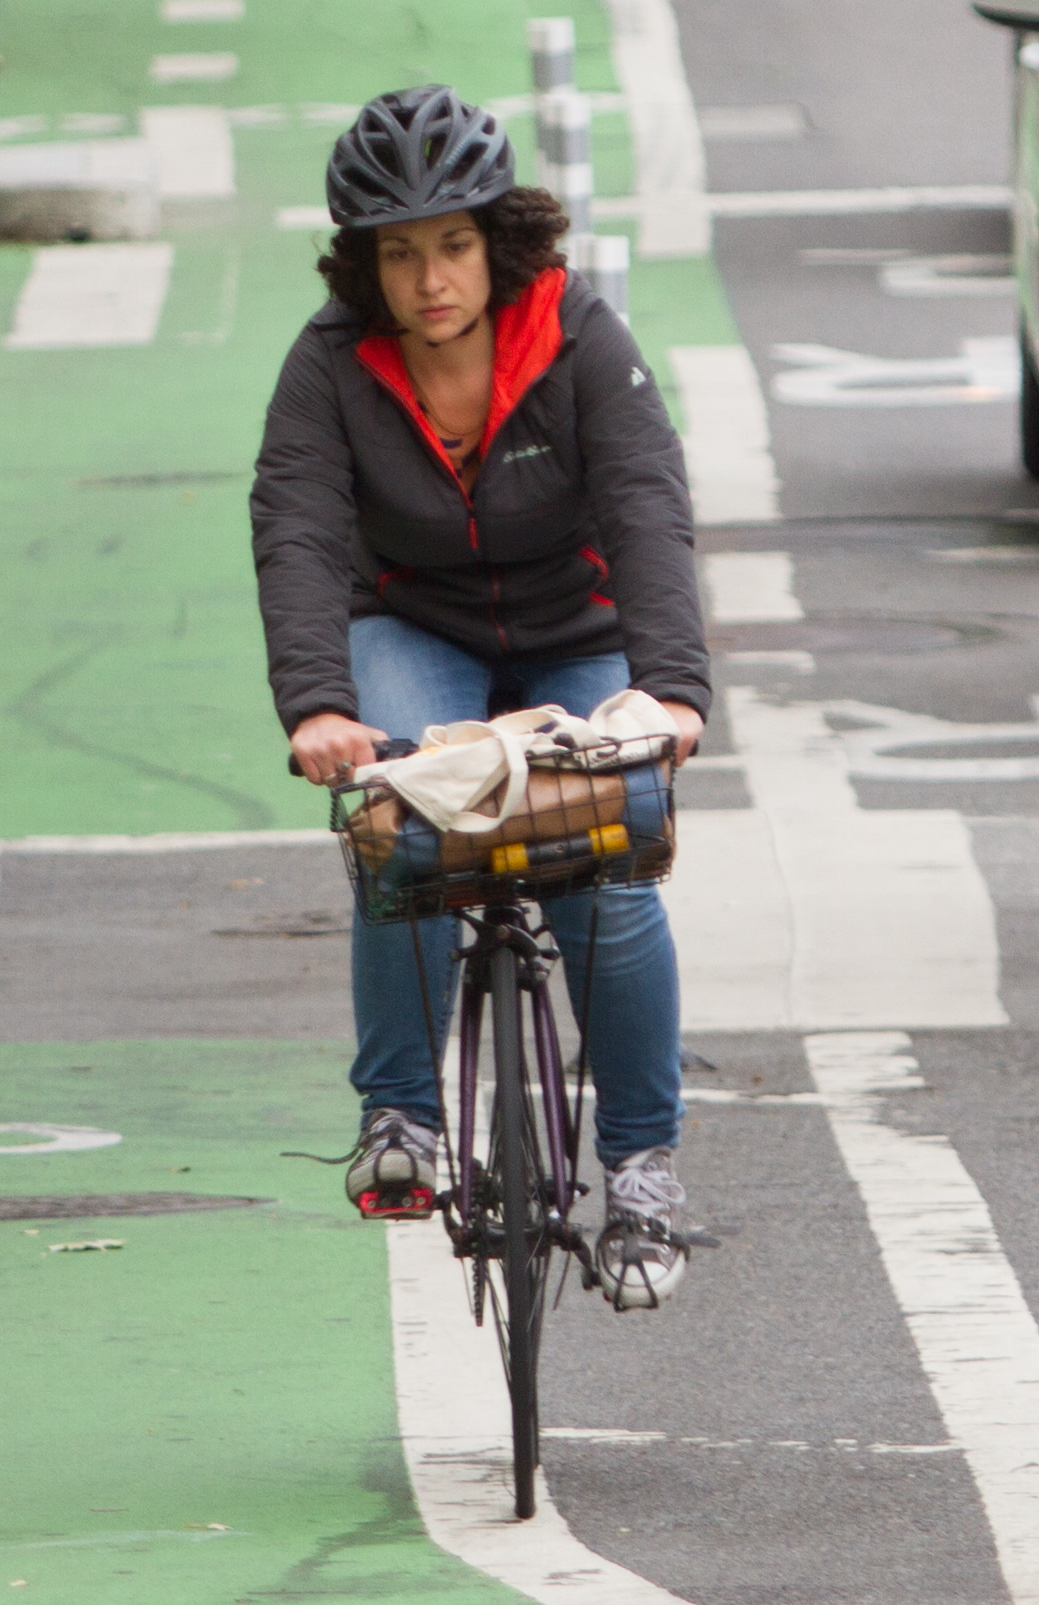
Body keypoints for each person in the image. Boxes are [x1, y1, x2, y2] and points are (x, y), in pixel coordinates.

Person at [251, 86, 708, 1305]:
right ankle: (400, 1119)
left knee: (612, 862)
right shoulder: (330, 365)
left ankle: (644, 1169)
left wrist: (670, 694)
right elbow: (295, 528)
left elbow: (648, 506)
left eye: (451, 243)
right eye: (398, 254)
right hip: (416, 624)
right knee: (399, 822)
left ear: (497, 242)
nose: (430, 278)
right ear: (366, 266)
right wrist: (316, 708)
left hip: (578, 634)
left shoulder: (579, 337)